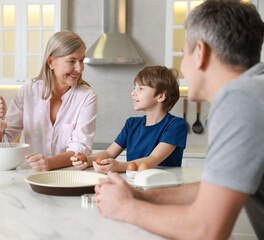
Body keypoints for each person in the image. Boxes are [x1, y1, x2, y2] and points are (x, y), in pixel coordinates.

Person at [94, 0, 264, 239]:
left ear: (201, 53)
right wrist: (140, 196)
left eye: (183, 54)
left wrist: (125, 207)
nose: (182, 67)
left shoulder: (240, 98)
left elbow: (207, 230)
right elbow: (214, 190)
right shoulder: (255, 91)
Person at [0, 31, 97, 172]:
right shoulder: (28, 91)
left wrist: (50, 163)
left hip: (67, 175)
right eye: (72, 61)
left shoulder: (86, 97)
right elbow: (5, 142)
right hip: (28, 174)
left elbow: (80, 149)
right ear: (51, 62)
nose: (79, 68)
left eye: (81, 60)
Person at [71, 66, 187, 173]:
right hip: (133, 183)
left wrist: (119, 166)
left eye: (141, 88)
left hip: (163, 186)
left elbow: (153, 160)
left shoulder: (176, 125)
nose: (133, 93)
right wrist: (87, 160)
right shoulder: (131, 124)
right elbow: (109, 153)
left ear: (161, 96)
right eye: (134, 88)